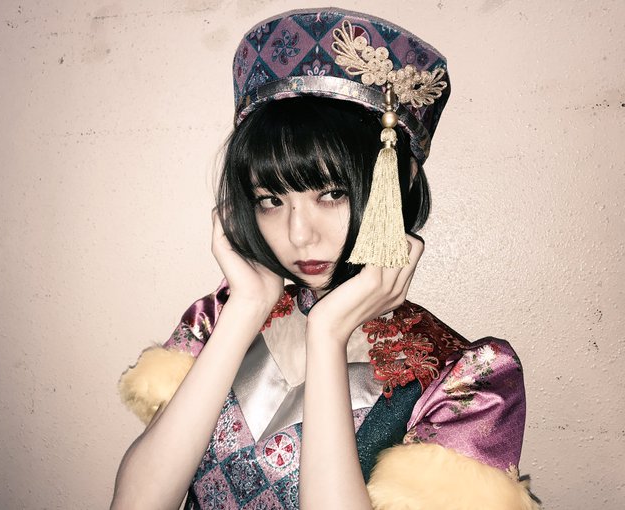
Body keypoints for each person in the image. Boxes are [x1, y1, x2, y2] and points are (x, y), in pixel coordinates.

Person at [111, 8, 540, 510]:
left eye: (332, 194)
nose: (298, 234)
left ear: (394, 187)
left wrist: (328, 334)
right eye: (271, 200)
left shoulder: (462, 381)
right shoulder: (219, 318)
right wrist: (246, 307)